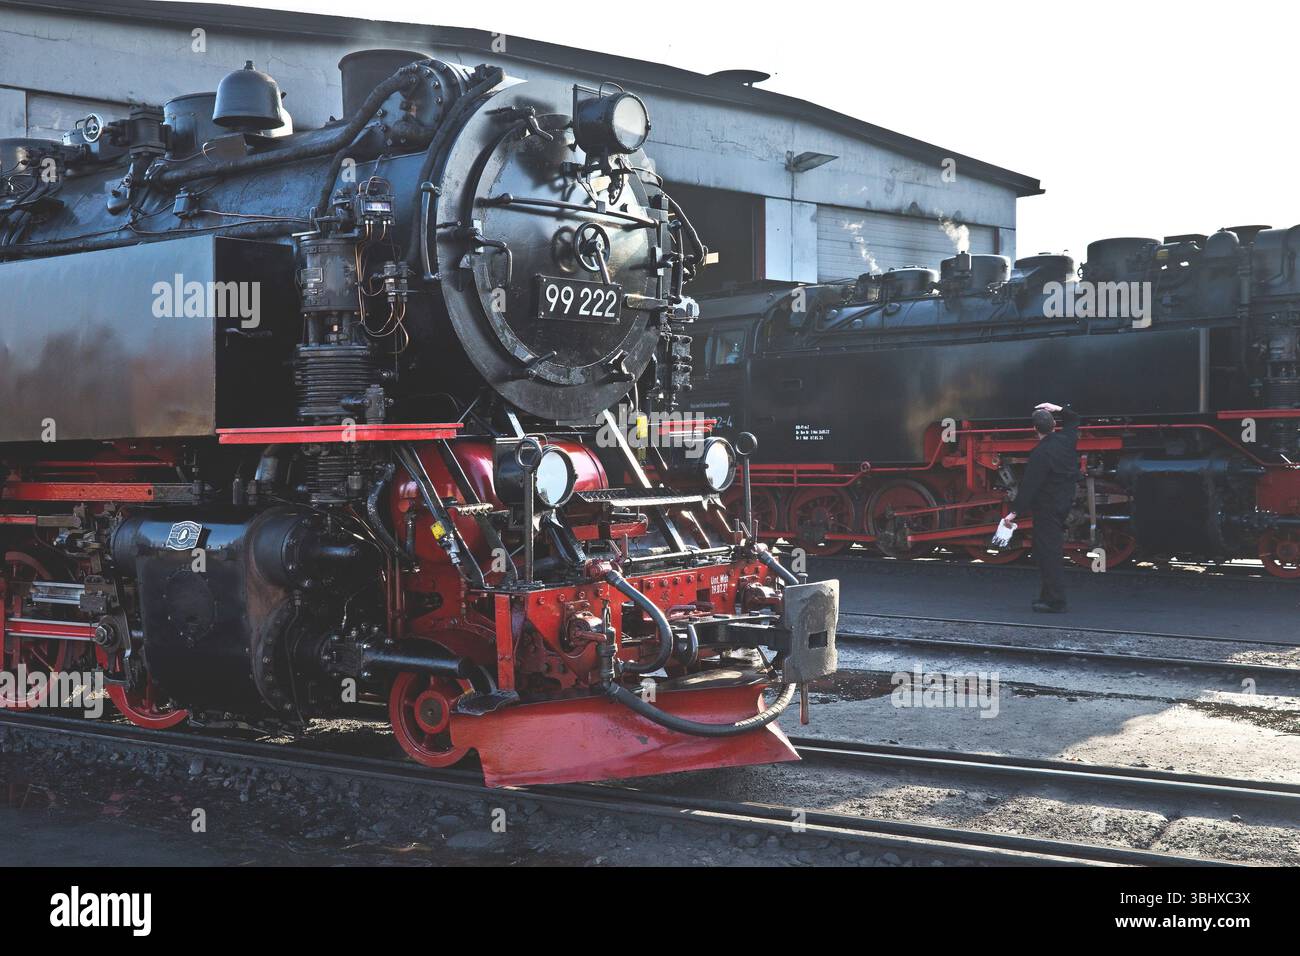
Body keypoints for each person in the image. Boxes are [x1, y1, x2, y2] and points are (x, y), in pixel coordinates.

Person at [999, 402, 1081, 613]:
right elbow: (1074, 419)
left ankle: (1056, 601)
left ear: (1034, 429)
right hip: (1064, 503)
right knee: (1047, 551)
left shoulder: (1039, 454)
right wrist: (1057, 408)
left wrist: (1013, 513)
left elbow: (1029, 487)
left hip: (1047, 508)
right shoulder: (1067, 440)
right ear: (1054, 425)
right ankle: (1047, 597)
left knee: (1049, 553)